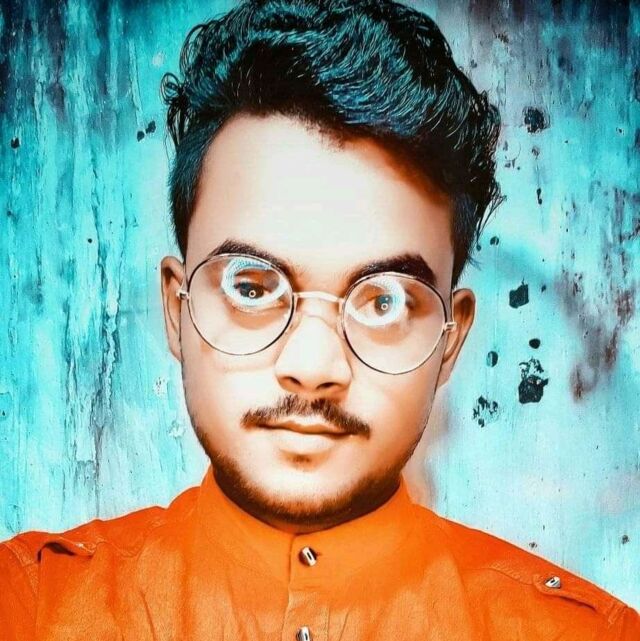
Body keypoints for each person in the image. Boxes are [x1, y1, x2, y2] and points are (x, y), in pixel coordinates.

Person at [1, 1, 638, 639]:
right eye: (251, 287)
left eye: (385, 301)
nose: (312, 367)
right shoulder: (31, 606)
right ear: (177, 308)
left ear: (450, 342)